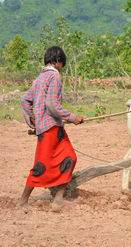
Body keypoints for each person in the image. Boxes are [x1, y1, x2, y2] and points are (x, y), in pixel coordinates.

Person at [18, 46, 85, 208]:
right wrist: (72, 117)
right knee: (41, 166)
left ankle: (58, 198)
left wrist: (33, 121)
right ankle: (23, 201)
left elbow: (25, 101)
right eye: (62, 63)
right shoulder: (54, 77)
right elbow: (52, 105)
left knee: (69, 158)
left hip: (51, 128)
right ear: (57, 61)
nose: (61, 68)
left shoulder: (39, 79)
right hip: (50, 129)